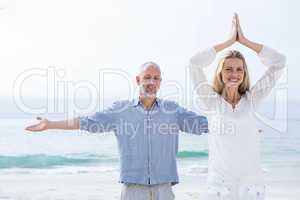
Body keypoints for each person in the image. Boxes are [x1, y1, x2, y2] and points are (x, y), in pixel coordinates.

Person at [25, 62, 209, 200]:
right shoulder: (120, 110)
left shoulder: (173, 110)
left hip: (164, 189)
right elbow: (88, 122)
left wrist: (235, 117)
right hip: (132, 189)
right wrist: (51, 124)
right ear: (138, 80)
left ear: (160, 82)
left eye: (156, 78)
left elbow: (205, 124)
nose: (151, 82)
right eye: (147, 77)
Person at [189, 13, 286, 200]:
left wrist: (244, 41)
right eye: (228, 69)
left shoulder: (252, 99)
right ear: (220, 73)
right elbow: (194, 63)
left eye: (239, 69)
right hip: (220, 186)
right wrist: (228, 42)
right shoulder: (211, 101)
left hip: (251, 186)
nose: (234, 74)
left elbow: (279, 62)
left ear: (244, 73)